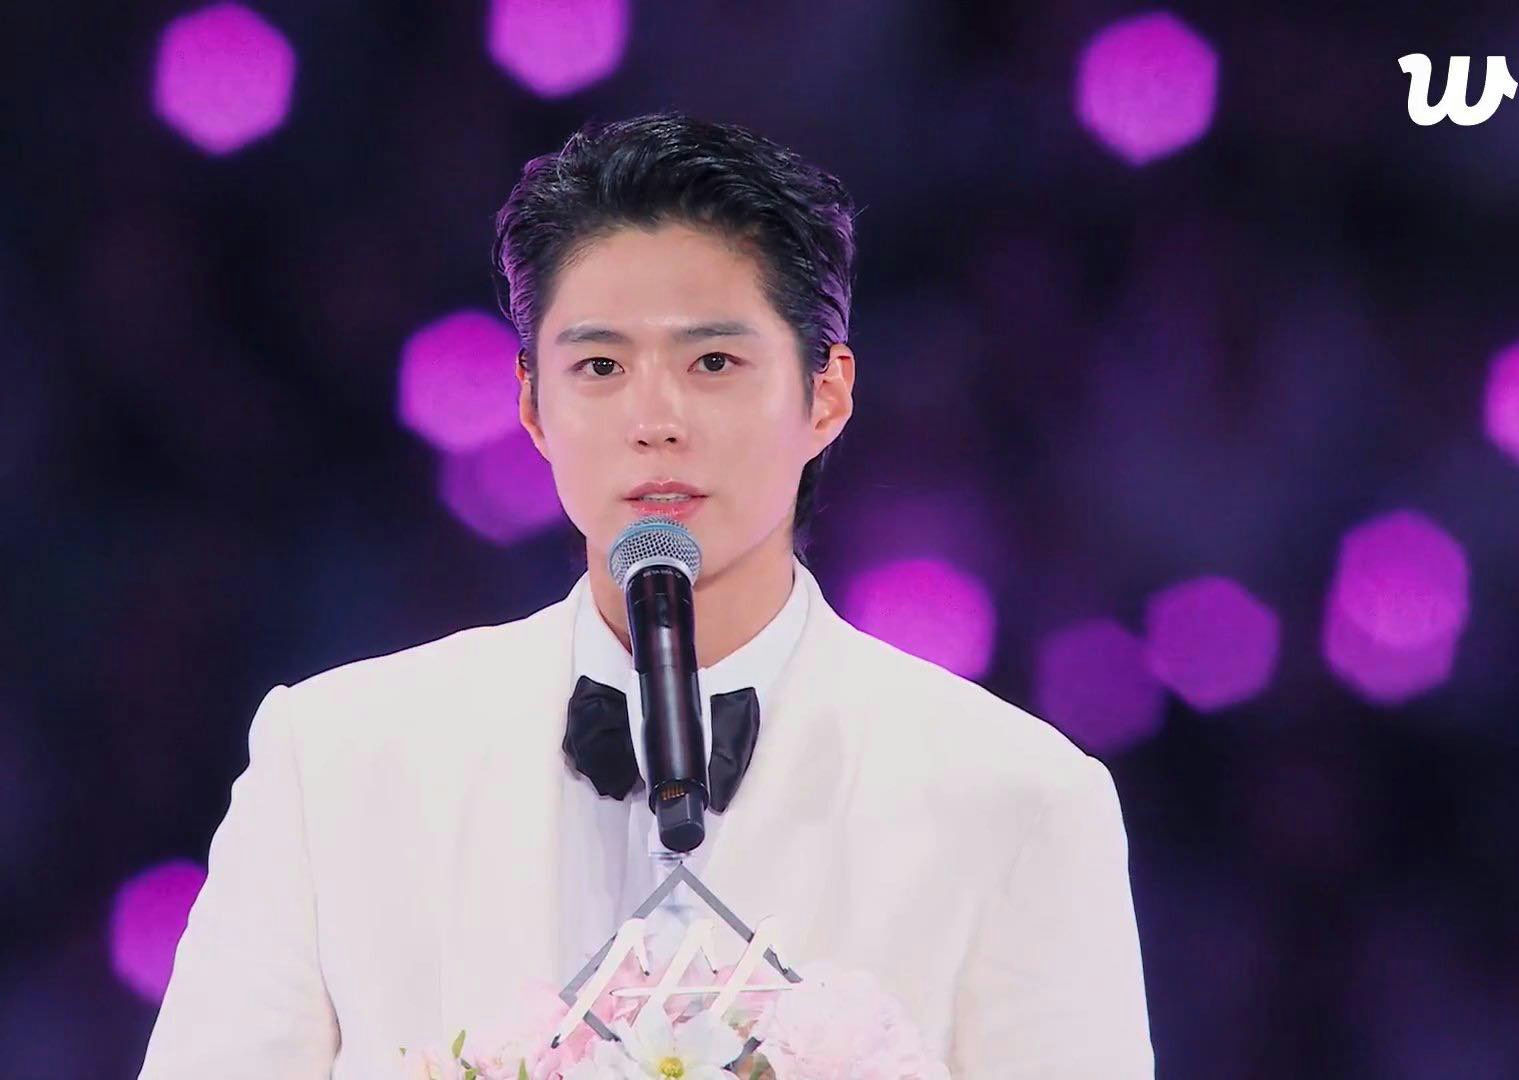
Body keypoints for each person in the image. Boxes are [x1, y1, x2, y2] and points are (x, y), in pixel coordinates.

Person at [139, 112, 1154, 1078]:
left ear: (826, 394)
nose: (656, 417)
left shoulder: (1017, 799)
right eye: (600, 365)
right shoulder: (335, 760)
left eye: (713, 361)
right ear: (532, 406)